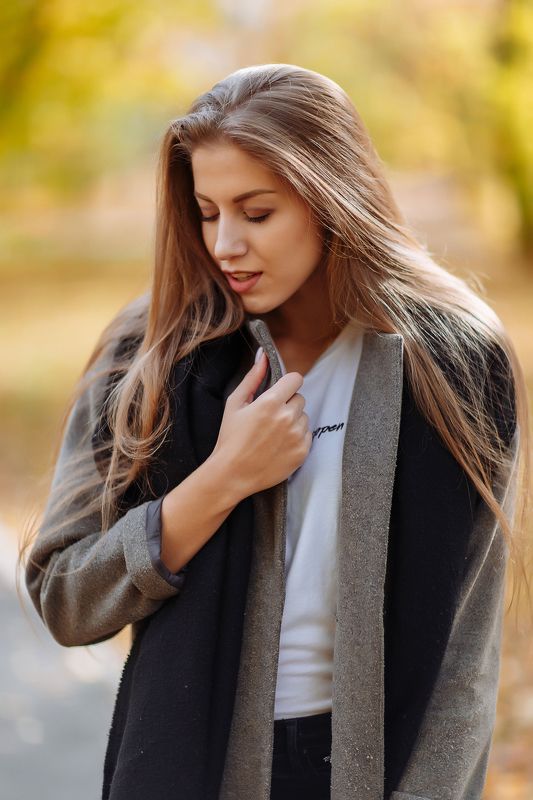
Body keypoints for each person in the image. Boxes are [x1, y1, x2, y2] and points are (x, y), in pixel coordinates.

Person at [20, 63, 530, 800]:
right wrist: (222, 479)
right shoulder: (154, 355)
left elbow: (464, 659)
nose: (225, 243)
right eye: (206, 211)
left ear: (331, 199)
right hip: (188, 770)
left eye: (256, 213)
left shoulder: (451, 360)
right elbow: (66, 595)